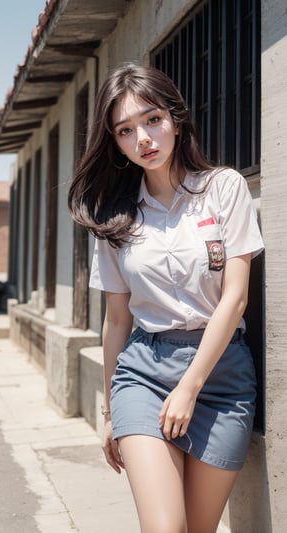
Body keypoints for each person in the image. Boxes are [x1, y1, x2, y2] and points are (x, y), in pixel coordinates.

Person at [68, 63, 264, 533]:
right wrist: (110, 413)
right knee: (165, 528)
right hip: (144, 372)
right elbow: (116, 320)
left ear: (175, 117)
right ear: (114, 142)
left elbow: (234, 299)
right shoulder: (114, 217)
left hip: (221, 379)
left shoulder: (223, 188)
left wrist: (190, 387)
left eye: (152, 120)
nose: (144, 139)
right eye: (125, 130)